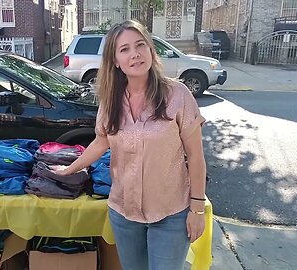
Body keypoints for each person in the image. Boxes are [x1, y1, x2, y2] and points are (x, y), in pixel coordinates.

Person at [57, 20, 207, 270]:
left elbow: (196, 156)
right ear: (115, 60)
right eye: (124, 49)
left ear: (150, 50)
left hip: (171, 212)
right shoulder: (111, 100)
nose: (134, 54)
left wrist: (198, 209)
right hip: (124, 212)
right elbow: (100, 142)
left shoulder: (178, 94)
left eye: (140, 45)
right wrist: (69, 169)